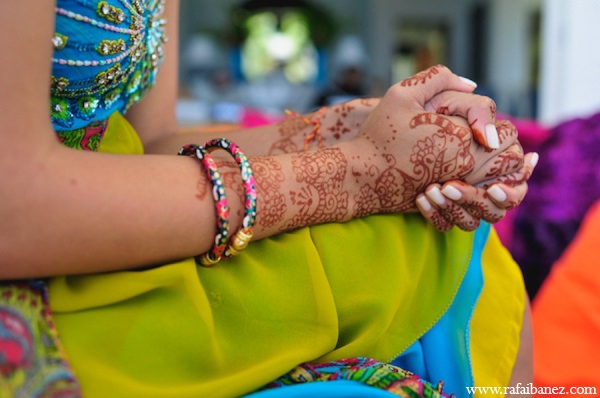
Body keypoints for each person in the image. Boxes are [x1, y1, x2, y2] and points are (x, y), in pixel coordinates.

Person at [0, 1, 537, 397]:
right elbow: (15, 208)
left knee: (463, 247)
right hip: (49, 270)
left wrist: (352, 126)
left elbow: (150, 143)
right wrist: (353, 173)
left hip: (134, 214)